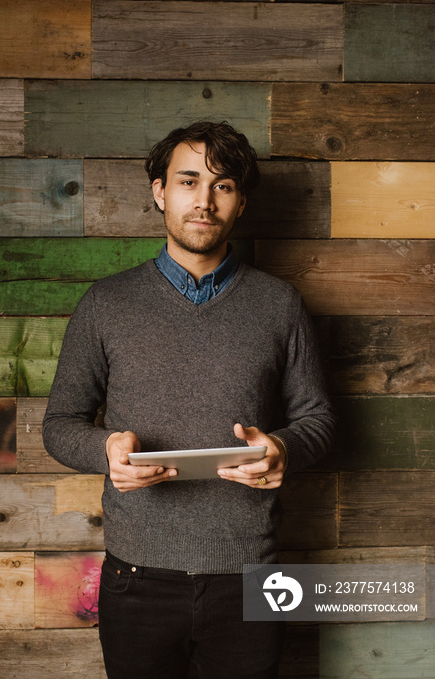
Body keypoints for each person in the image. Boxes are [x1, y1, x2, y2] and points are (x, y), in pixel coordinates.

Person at [43, 121, 335, 679]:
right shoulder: (106, 305)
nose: (204, 200)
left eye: (223, 186)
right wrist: (105, 450)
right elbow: (60, 424)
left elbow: (318, 419)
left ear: (241, 201)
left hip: (254, 578)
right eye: (188, 181)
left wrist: (282, 447)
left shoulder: (280, 305)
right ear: (159, 191)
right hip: (136, 580)